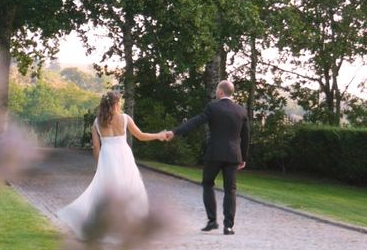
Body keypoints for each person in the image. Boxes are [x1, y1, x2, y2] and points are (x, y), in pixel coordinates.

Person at [57, 91, 164, 240]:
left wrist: (99, 165)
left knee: (104, 192)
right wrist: (158, 135)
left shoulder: (97, 122)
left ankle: (97, 226)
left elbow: (96, 147)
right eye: (119, 102)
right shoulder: (125, 118)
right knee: (129, 189)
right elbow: (141, 136)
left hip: (107, 157)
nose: (120, 104)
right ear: (115, 104)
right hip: (124, 156)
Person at [158, 80, 249, 235]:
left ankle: (212, 220)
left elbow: (195, 122)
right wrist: (244, 158)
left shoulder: (213, 107)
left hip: (214, 153)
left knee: (208, 184)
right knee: (230, 190)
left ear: (220, 92)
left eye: (216, 90)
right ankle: (228, 226)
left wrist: (175, 132)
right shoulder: (241, 111)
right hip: (233, 155)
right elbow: (246, 137)